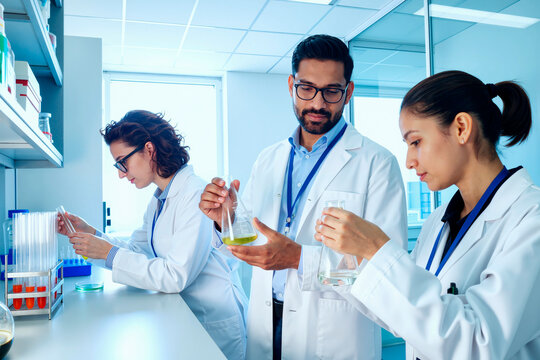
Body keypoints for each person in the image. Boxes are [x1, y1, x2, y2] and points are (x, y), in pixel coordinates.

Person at [199, 34, 407, 360]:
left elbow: (384, 273)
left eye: (332, 91)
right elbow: (250, 240)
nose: (318, 103)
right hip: (267, 324)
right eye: (307, 88)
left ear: (348, 92)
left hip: (332, 337)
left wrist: (299, 259)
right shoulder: (269, 159)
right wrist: (226, 217)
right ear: (291, 85)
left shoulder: (377, 164)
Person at [315, 71, 540, 359]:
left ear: (461, 128)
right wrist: (348, 264)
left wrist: (377, 249)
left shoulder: (530, 220)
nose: (409, 161)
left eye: (416, 142)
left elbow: (478, 343)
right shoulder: (438, 221)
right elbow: (411, 320)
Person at [58, 110, 247, 360]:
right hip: (185, 319)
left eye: (122, 162)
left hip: (212, 324)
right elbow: (138, 250)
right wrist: (91, 233)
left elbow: (176, 275)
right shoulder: (159, 198)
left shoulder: (194, 193)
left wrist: (107, 252)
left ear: (149, 149)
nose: (121, 173)